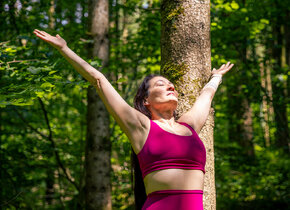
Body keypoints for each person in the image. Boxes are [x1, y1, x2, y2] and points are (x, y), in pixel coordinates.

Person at [33, 29, 234, 210]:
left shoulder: (189, 126)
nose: (171, 86)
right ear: (146, 100)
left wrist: (216, 77)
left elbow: (206, 96)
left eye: (172, 85)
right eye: (161, 85)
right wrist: (64, 49)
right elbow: (98, 80)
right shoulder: (142, 127)